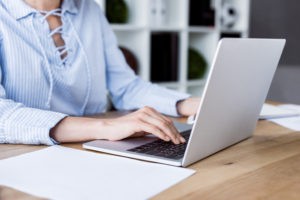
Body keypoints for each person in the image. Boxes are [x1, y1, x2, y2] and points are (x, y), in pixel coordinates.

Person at [0, 0, 199, 146]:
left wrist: (187, 104)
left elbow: (127, 87)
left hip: (93, 147)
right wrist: (105, 127)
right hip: (25, 154)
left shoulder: (90, 10)